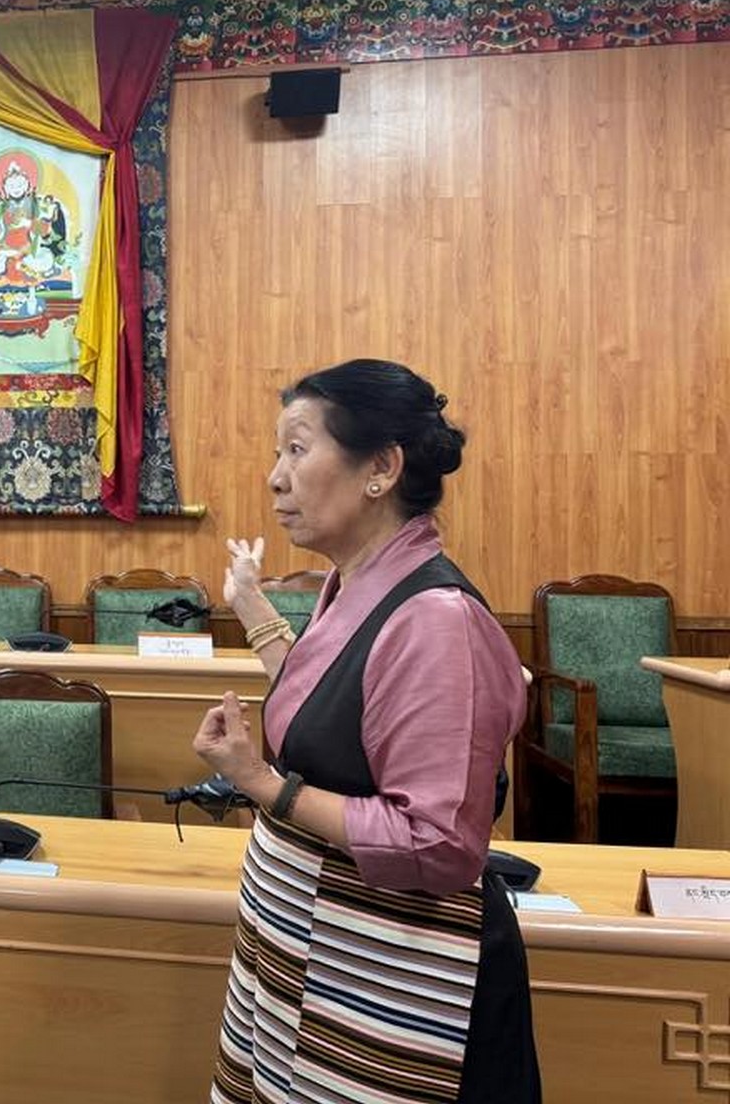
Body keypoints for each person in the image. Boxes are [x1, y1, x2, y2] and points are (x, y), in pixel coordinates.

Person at [193, 358, 540, 1103]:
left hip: (394, 979)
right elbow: (320, 700)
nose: (274, 478)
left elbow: (437, 840)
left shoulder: (438, 620)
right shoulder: (350, 582)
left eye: (296, 448)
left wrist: (261, 785)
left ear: (381, 467)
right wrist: (252, 605)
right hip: (314, 950)